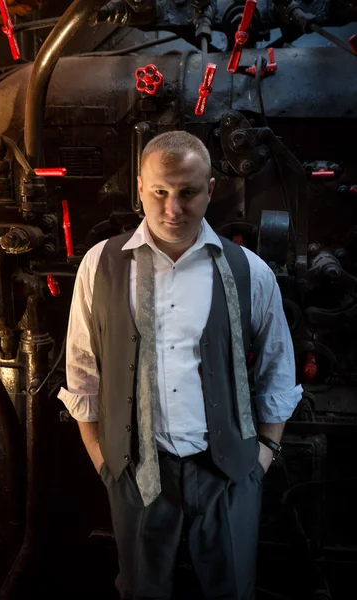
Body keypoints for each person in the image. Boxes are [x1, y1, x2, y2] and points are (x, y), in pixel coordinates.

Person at [58, 130, 303, 600]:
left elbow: (277, 370)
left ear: (210, 189)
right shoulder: (100, 265)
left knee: (232, 591)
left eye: (188, 192)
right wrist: (101, 457)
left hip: (228, 473)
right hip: (135, 471)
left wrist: (263, 457)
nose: (173, 209)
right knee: (141, 591)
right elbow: (82, 368)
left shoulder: (250, 269)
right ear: (140, 189)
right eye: (160, 192)